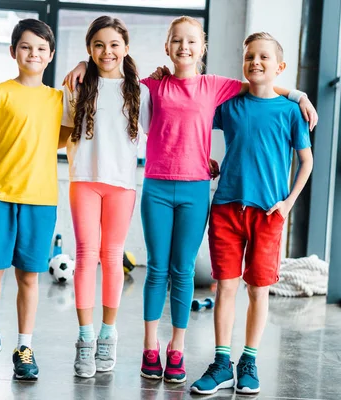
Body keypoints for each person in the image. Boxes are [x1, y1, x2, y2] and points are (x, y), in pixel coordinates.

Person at [63, 16, 317, 384]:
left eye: (192, 41)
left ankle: (176, 349)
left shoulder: (217, 86)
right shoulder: (150, 85)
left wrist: (299, 95)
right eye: (176, 41)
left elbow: (262, 85)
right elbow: (114, 74)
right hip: (157, 188)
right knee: (157, 271)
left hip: (197, 189)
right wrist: (84, 63)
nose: (184, 47)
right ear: (167, 47)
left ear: (203, 49)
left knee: (182, 271)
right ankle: (151, 347)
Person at [190, 32, 313, 395]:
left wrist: (288, 204)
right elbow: (193, 122)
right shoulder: (230, 105)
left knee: (258, 290)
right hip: (227, 209)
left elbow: (306, 162)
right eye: (249, 58)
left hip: (268, 214)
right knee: (226, 286)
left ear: (280, 67)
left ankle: (249, 361)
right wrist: (203, 160)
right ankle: (222, 362)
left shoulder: (291, 111)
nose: (256, 63)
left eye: (263, 57)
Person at [0, 19, 62, 381]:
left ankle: (24, 345)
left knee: (29, 278)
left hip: (41, 201)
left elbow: (61, 140)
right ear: (13, 51)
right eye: (25, 47)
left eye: (40, 48)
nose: (33, 53)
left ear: (50, 56)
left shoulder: (58, 99)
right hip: (0, 196)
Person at [58, 15, 152, 378]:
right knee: (85, 257)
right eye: (98, 45)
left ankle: (108, 335)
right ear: (89, 49)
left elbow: (160, 135)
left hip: (121, 186)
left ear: (125, 48)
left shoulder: (140, 91)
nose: (106, 51)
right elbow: (63, 133)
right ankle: (85, 338)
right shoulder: (77, 85)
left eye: (114, 44)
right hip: (84, 180)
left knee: (112, 258)